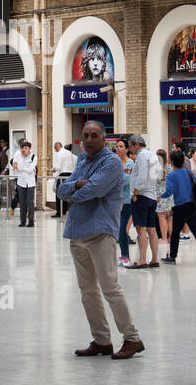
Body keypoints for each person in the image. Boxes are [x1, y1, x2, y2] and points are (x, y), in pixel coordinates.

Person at [57, 121, 145, 360]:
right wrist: (75, 185)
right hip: (77, 234)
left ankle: (132, 338)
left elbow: (94, 190)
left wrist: (75, 193)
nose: (88, 139)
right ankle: (102, 340)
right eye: (85, 135)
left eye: (94, 135)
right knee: (87, 291)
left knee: (110, 287)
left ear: (103, 139)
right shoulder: (82, 160)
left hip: (100, 233)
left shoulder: (112, 162)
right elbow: (61, 189)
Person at [160, 149, 196, 266]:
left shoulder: (171, 175)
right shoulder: (188, 172)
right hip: (192, 206)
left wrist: (160, 196)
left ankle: (172, 256)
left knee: (175, 232)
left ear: (171, 161)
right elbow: (195, 184)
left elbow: (169, 191)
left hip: (179, 207)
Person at [128, 134, 160, 268]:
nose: (130, 149)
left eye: (130, 146)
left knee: (141, 229)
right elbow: (157, 175)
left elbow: (141, 177)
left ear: (136, 144)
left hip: (142, 196)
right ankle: (154, 259)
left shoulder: (141, 155)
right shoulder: (153, 154)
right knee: (152, 229)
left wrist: (136, 193)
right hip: (152, 195)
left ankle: (141, 260)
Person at [113, 137, 135, 267]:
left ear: (127, 149)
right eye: (117, 146)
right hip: (115, 200)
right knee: (117, 229)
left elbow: (127, 180)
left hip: (126, 201)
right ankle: (122, 254)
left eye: (121, 146)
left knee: (123, 228)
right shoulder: (115, 162)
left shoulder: (130, 163)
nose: (118, 148)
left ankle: (126, 255)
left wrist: (116, 180)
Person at [10, 140, 38, 227]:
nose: (24, 150)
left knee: (30, 202)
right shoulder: (18, 155)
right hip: (21, 182)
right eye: (22, 148)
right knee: (22, 203)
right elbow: (14, 166)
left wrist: (21, 168)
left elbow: (30, 170)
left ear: (29, 149)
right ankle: (22, 221)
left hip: (30, 183)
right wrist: (22, 168)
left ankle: (31, 221)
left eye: (26, 148)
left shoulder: (34, 157)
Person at [154, 149, 173, 253]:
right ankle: (171, 237)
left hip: (159, 195)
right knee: (168, 217)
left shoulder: (156, 168)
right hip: (169, 194)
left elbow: (155, 182)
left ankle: (164, 237)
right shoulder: (169, 167)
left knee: (161, 216)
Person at [52, 141, 76, 218]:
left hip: (63, 174)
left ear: (56, 147)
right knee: (66, 193)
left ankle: (59, 212)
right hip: (70, 175)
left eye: (55, 149)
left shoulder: (59, 154)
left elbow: (58, 167)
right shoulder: (69, 153)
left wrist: (54, 169)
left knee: (59, 192)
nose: (55, 151)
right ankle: (65, 210)